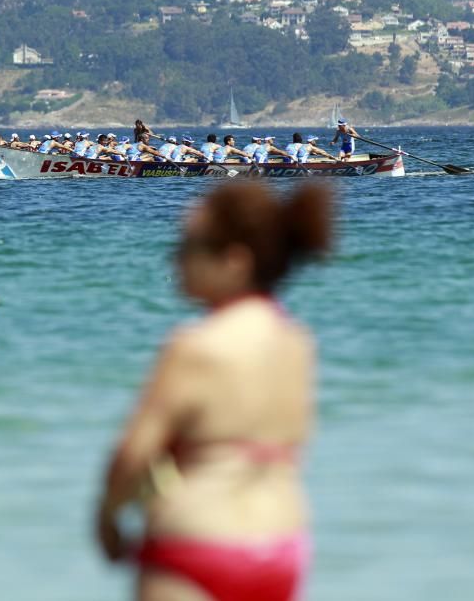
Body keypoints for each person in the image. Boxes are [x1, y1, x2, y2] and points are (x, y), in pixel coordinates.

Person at [97, 180, 333, 601]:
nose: (175, 257)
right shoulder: (297, 342)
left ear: (235, 260)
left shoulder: (196, 345)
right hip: (282, 543)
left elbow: (135, 452)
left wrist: (106, 517)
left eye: (190, 246)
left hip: (196, 540)